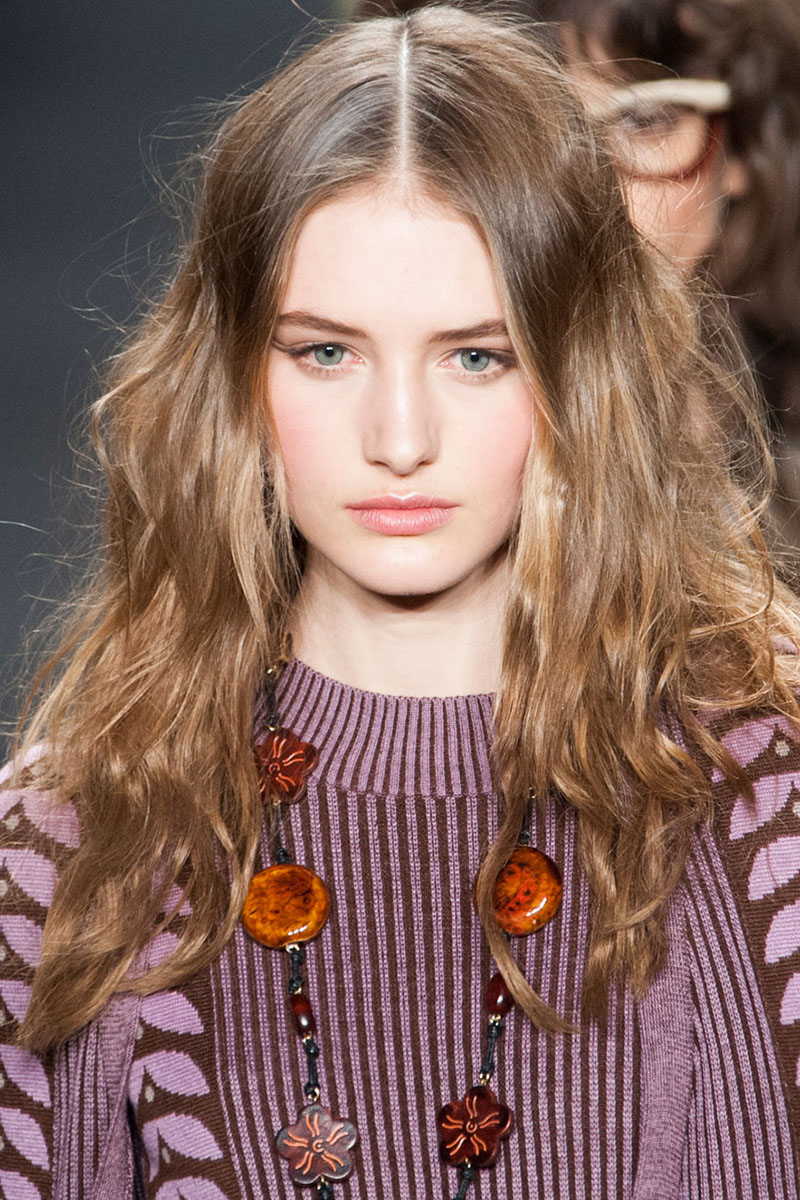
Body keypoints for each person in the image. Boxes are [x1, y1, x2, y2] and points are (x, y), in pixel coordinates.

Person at [1, 6, 799, 1197]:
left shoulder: (763, 811)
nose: (399, 438)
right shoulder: (71, 845)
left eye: (476, 355)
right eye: (324, 352)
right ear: (230, 377)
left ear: (577, 376)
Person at [354, 0, 800, 565]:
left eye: (644, 121)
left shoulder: (782, 415)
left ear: (741, 148)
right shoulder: (376, 439)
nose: (594, 184)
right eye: (526, 134)